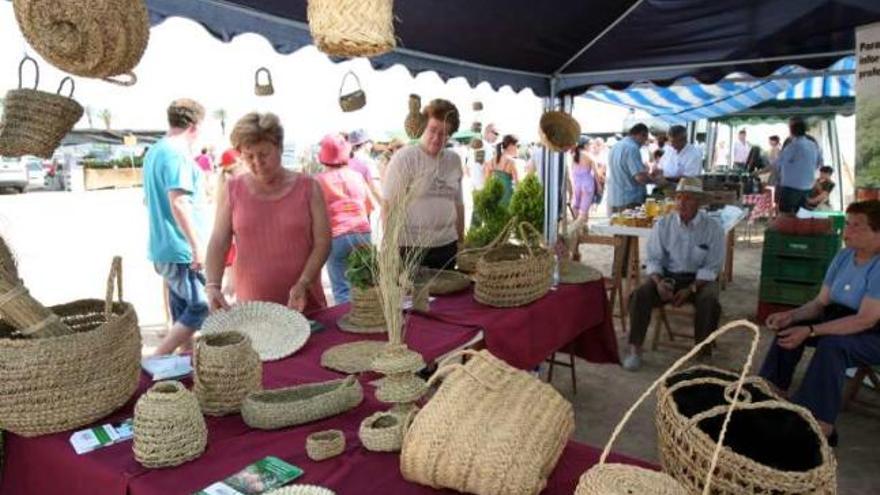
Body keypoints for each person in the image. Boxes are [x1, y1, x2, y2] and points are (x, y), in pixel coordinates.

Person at [759, 200, 880, 445]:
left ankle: (820, 423)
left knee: (832, 346)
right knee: (788, 328)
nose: (848, 231)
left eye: (857, 226)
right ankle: (772, 391)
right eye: (847, 224)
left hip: (872, 332)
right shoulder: (844, 256)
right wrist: (792, 316)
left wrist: (812, 330)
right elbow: (820, 303)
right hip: (840, 318)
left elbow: (865, 320)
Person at [204, 112, 330, 314]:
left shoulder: (308, 187)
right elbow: (219, 240)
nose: (257, 162)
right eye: (249, 156)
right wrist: (212, 285)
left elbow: (323, 243)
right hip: (254, 309)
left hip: (304, 304)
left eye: (263, 154)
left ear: (279, 148)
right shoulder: (232, 190)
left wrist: (304, 282)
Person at [622, 177, 725, 371]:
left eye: (688, 198)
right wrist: (659, 282)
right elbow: (653, 259)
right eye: (678, 197)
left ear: (699, 202)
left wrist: (690, 289)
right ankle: (635, 349)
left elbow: (712, 267)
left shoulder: (713, 229)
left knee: (710, 301)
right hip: (669, 276)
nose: (681, 203)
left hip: (698, 279)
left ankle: (703, 354)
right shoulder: (663, 224)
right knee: (640, 294)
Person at [143, 99, 210, 355]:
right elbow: (179, 202)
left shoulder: (155, 152)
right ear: (195, 125)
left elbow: (148, 200)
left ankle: (184, 364)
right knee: (200, 306)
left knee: (181, 310)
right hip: (180, 249)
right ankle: (158, 357)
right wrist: (197, 246)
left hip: (164, 246)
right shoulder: (176, 153)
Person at [384, 98, 464, 270]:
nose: (436, 138)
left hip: (447, 246)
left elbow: (458, 204)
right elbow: (388, 205)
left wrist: (461, 241)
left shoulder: (454, 160)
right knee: (413, 297)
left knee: (448, 296)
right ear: (424, 126)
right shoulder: (405, 158)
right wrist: (390, 248)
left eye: (443, 134)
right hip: (410, 248)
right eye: (433, 130)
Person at [315, 134, 372, 304]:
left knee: (342, 290)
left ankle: (350, 324)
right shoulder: (357, 176)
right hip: (363, 232)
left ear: (323, 159)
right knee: (365, 284)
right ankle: (369, 316)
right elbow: (369, 205)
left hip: (337, 235)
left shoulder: (319, 180)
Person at [607, 123, 663, 212]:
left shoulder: (616, 146)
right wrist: (657, 181)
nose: (645, 142)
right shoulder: (632, 148)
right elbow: (640, 177)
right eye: (645, 139)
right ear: (641, 135)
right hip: (630, 200)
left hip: (614, 198)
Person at [778, 116, 822, 213]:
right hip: (807, 188)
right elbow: (819, 163)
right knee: (802, 215)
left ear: (791, 131)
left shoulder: (792, 146)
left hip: (791, 188)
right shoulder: (813, 145)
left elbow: (779, 163)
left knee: (786, 216)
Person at [347, 129, 383, 212]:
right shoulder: (367, 161)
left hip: (347, 211)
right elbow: (375, 189)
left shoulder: (345, 161)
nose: (371, 146)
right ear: (365, 143)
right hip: (364, 210)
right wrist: (387, 208)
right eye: (370, 142)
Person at [485, 134, 519, 207]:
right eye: (517, 146)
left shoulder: (491, 161)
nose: (517, 148)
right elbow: (517, 184)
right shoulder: (511, 162)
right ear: (510, 146)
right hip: (508, 197)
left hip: (495, 196)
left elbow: (487, 182)